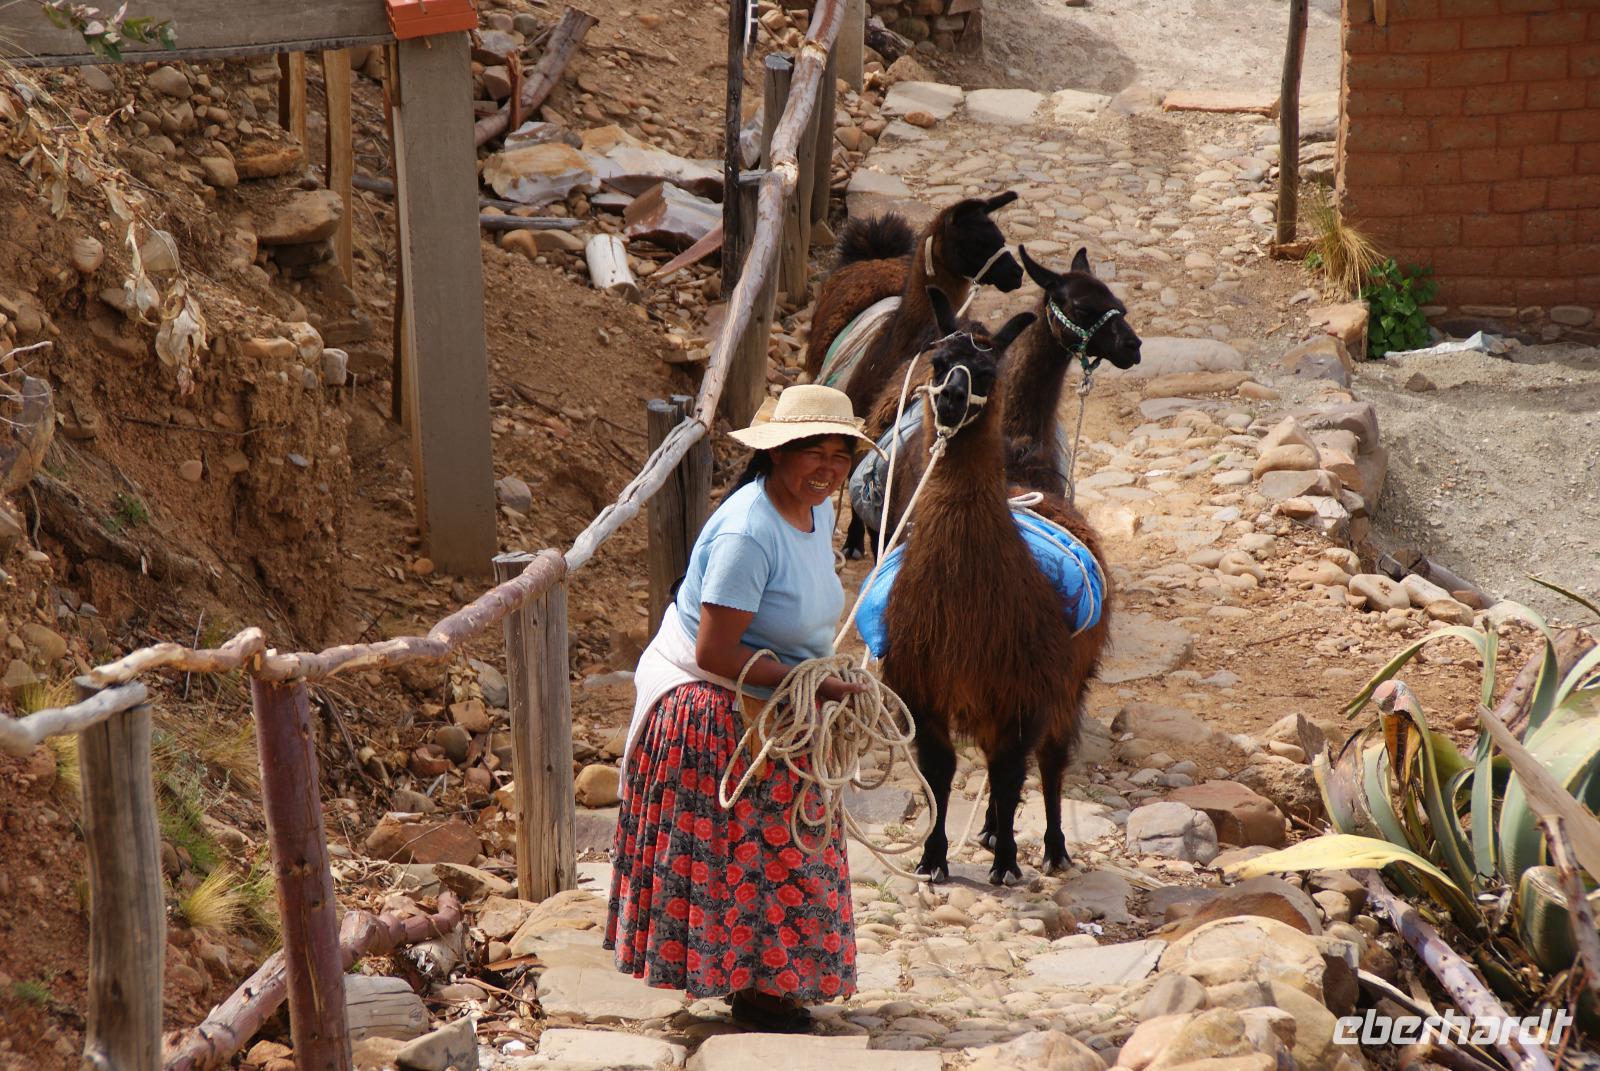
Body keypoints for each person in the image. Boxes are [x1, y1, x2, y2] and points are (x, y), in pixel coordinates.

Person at [605, 384, 880, 1033]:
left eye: (840, 455)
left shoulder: (815, 513)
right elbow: (716, 650)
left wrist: (814, 681)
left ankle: (769, 983)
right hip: (708, 698)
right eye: (815, 452)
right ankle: (758, 987)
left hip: (773, 692)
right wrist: (814, 687)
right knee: (755, 845)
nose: (829, 469)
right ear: (778, 453)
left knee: (794, 839)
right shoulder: (747, 533)